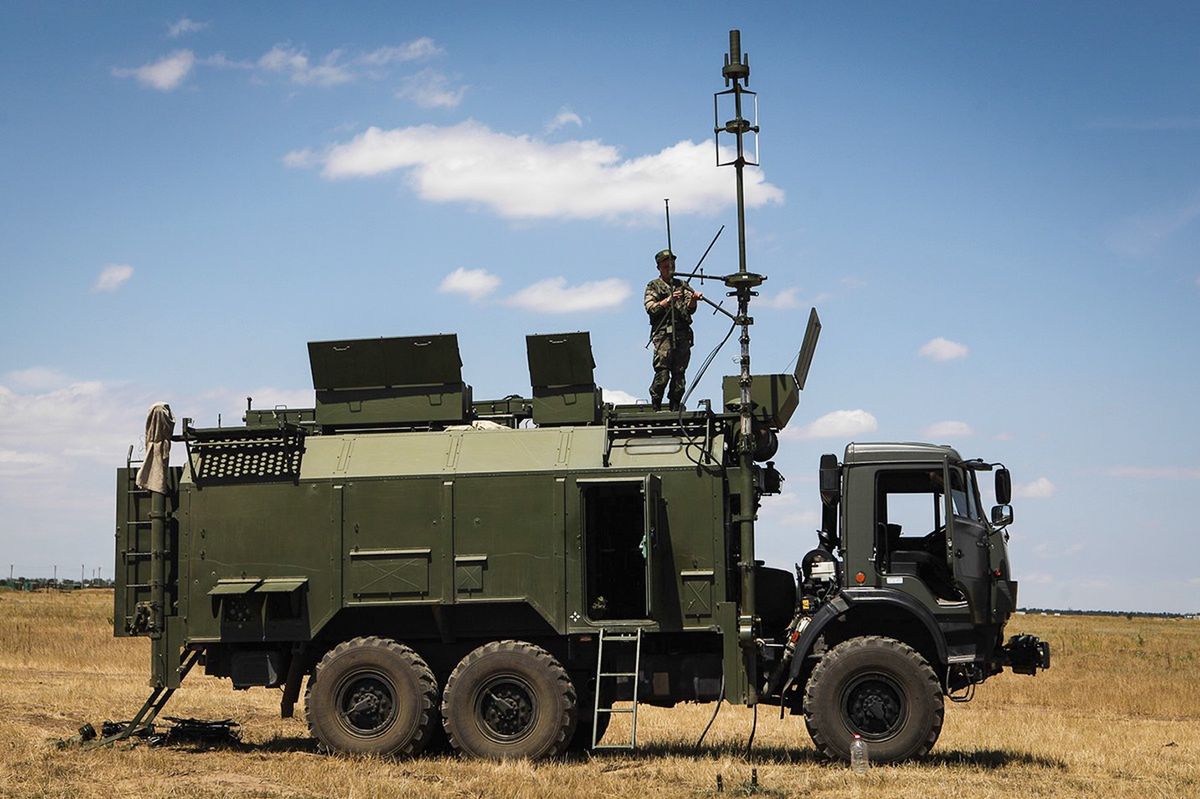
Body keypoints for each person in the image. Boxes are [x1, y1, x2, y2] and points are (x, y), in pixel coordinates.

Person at [644, 249, 702, 411]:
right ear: (659, 267)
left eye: (671, 263)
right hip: (663, 335)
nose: (669, 266)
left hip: (682, 334)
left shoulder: (682, 285)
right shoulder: (653, 286)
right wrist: (668, 300)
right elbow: (651, 308)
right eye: (665, 264)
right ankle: (656, 404)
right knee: (662, 374)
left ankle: (675, 406)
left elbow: (690, 309)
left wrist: (694, 300)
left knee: (679, 375)